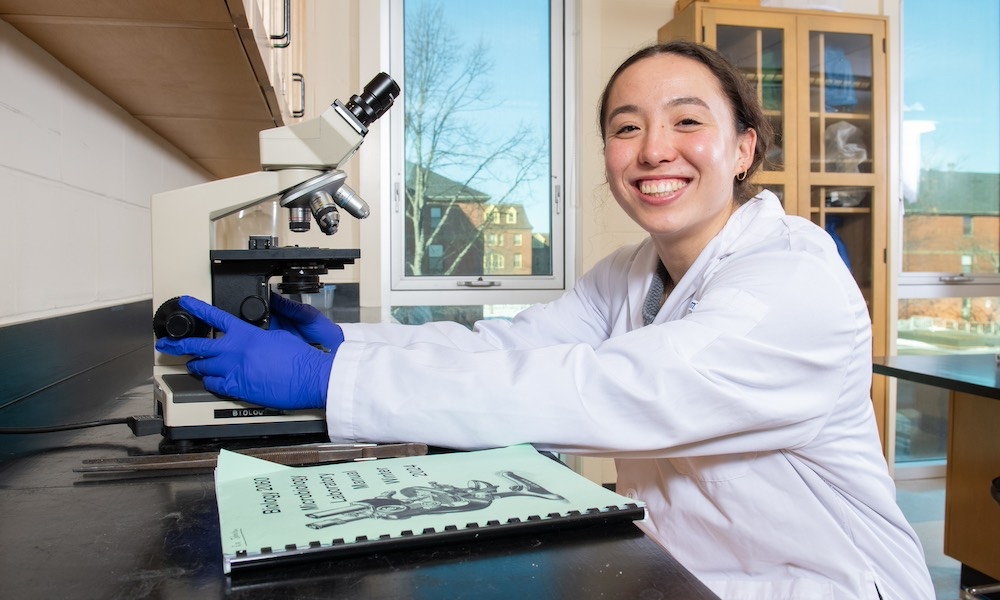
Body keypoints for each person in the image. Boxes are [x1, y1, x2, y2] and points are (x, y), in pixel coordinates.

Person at [157, 41, 935, 599]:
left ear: (743, 149)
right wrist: (347, 342)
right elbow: (510, 347)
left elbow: (609, 391)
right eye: (627, 128)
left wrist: (334, 381)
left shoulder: (793, 280)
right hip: (691, 574)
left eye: (687, 122)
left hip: (827, 584)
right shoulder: (633, 273)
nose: (653, 149)